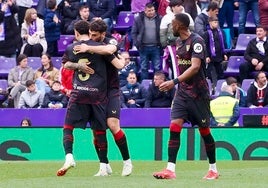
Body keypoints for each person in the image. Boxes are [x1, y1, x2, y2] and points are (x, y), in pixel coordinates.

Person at [153, 13, 219, 180]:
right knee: (174, 126)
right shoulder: (178, 42)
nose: (170, 27)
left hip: (198, 93)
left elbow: (195, 67)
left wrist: (173, 81)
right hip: (183, 92)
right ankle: (170, 169)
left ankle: (213, 169)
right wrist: (177, 83)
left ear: (180, 26)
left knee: (204, 131)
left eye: (172, 24)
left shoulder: (197, 41)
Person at [56, 20, 125, 177]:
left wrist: (78, 66)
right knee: (99, 130)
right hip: (97, 94)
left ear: (76, 32)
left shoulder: (72, 48)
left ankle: (69, 156)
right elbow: (117, 62)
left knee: (68, 126)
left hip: (78, 92)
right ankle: (103, 165)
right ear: (90, 31)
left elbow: (65, 64)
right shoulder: (99, 49)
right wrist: (121, 60)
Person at [72, 19, 133, 177]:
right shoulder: (89, 45)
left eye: (95, 35)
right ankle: (104, 165)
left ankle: (127, 161)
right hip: (94, 91)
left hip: (111, 90)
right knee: (96, 131)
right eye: (90, 34)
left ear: (103, 34)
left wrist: (89, 47)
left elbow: (114, 55)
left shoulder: (107, 44)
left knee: (112, 125)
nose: (92, 37)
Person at [131, 2, 162, 81]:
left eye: (152, 10)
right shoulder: (139, 19)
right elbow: (133, 32)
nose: (151, 12)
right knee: (144, 68)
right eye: (149, 11)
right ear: (145, 11)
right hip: (143, 47)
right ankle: (144, 86)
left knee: (157, 67)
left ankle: (158, 84)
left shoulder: (159, 18)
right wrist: (136, 43)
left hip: (156, 47)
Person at [204, 16, 227, 94]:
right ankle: (209, 87)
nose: (216, 24)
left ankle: (220, 87)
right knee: (208, 72)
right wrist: (206, 56)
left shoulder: (220, 32)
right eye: (214, 22)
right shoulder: (207, 33)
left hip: (218, 55)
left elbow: (222, 44)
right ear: (210, 22)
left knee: (220, 72)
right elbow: (205, 45)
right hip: (210, 56)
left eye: (217, 22)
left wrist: (224, 54)